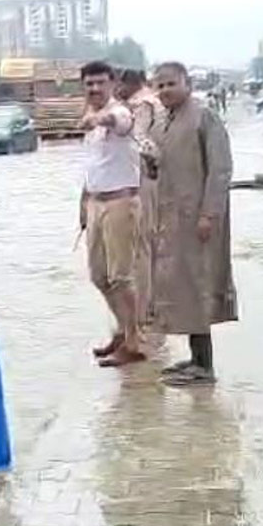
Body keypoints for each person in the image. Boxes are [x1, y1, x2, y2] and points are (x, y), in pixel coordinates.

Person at [150, 61, 237, 387]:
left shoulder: (204, 117)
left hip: (199, 221)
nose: (164, 91)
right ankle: (195, 358)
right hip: (171, 220)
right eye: (159, 86)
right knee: (181, 289)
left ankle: (205, 366)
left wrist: (209, 215)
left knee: (199, 286)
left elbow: (221, 170)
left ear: (186, 83)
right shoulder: (162, 123)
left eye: (171, 84)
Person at [79, 60, 145, 368]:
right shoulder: (89, 118)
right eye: (89, 84)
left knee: (121, 276)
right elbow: (91, 167)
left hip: (121, 202)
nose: (94, 89)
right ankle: (122, 331)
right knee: (98, 275)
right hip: (95, 203)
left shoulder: (120, 112)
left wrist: (100, 119)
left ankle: (133, 341)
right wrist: (83, 204)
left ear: (112, 84)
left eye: (99, 83)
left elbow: (119, 121)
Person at [116, 68, 162, 343]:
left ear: (130, 83)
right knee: (151, 242)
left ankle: (143, 311)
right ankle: (152, 305)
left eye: (119, 84)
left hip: (144, 176)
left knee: (142, 245)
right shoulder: (154, 101)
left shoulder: (141, 105)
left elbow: (141, 142)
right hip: (155, 176)